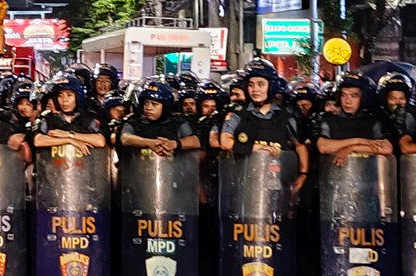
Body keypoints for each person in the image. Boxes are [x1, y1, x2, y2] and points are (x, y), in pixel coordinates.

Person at [219, 65, 310, 198]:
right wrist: (259, 147)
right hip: (245, 187)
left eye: (261, 84)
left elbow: (300, 146)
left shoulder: (286, 116)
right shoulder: (237, 114)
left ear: (271, 87)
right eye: (251, 85)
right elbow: (225, 142)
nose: (255, 89)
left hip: (278, 186)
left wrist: (303, 175)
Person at [316, 73, 394, 167]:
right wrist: (358, 141)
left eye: (354, 96)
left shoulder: (372, 121)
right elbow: (323, 147)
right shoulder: (328, 119)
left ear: (363, 98)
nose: (347, 101)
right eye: (344, 95)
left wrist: (351, 148)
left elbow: (386, 148)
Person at [120, 81, 201, 156]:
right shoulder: (134, 121)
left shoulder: (177, 122)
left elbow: (196, 141)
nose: (148, 107)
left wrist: (175, 144)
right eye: (146, 103)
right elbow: (125, 138)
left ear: (165, 106)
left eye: (154, 104)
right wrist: (149, 143)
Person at [32, 77, 108, 156]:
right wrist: (69, 140)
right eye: (60, 96)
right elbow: (38, 141)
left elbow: (100, 141)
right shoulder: (48, 119)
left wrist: (69, 134)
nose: (64, 100)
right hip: (53, 167)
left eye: (69, 95)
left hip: (87, 166)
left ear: (78, 97)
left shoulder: (89, 117)